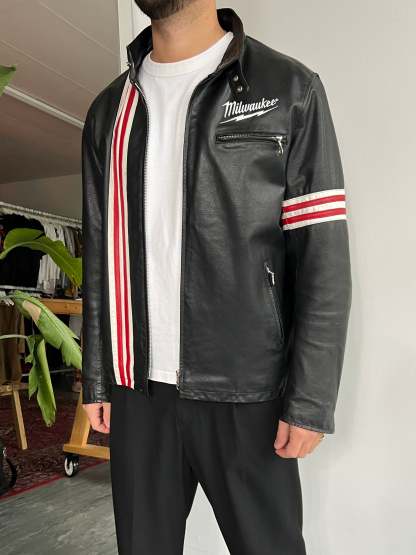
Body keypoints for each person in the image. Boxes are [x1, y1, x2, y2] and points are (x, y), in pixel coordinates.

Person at [81, 2, 352, 553]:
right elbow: (98, 253)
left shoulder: (288, 88)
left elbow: (321, 255)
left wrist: (310, 398)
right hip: (136, 393)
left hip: (248, 389)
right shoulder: (109, 109)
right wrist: (96, 378)